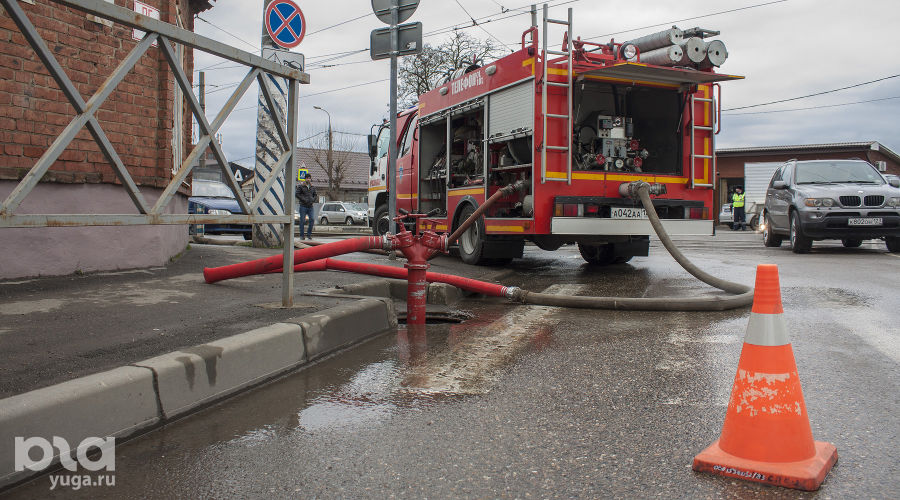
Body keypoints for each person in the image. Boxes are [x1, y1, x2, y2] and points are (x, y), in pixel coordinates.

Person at [295, 174, 317, 240]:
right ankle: (302, 236)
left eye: (309, 178)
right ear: (305, 179)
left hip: (310, 206)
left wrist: (313, 200)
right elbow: (297, 194)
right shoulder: (301, 186)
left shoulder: (312, 187)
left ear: (310, 179)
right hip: (303, 206)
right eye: (307, 178)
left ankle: (309, 235)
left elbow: (315, 195)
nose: (308, 179)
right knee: (302, 221)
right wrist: (304, 199)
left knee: (312, 219)